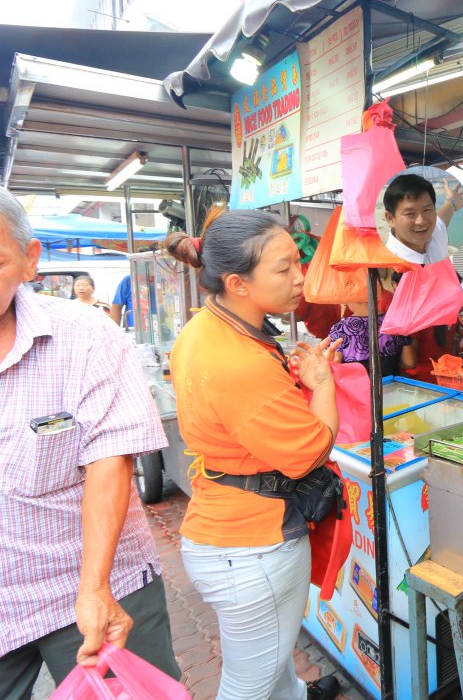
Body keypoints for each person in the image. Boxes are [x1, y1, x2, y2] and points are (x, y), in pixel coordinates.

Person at [0, 189, 180, 698]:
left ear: (30, 261)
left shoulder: (84, 334)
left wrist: (95, 587)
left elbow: (111, 459)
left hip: (94, 585)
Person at [166, 208, 342, 700]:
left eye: (296, 262)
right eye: (284, 269)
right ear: (237, 283)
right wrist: (321, 386)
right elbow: (311, 451)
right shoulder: (240, 363)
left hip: (222, 526)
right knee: (247, 684)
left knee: (271, 656)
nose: (300, 277)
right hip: (252, 548)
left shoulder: (204, 327)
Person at [381, 173, 463, 265]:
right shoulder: (389, 262)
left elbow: (443, 217)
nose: (421, 221)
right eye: (410, 213)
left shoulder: (434, 233)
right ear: (390, 219)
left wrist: (452, 202)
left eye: (427, 210)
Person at [328, 290, 415, 377]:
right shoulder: (395, 323)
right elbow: (409, 363)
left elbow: (335, 363)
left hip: (357, 388)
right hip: (389, 386)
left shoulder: (340, 328)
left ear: (352, 299)